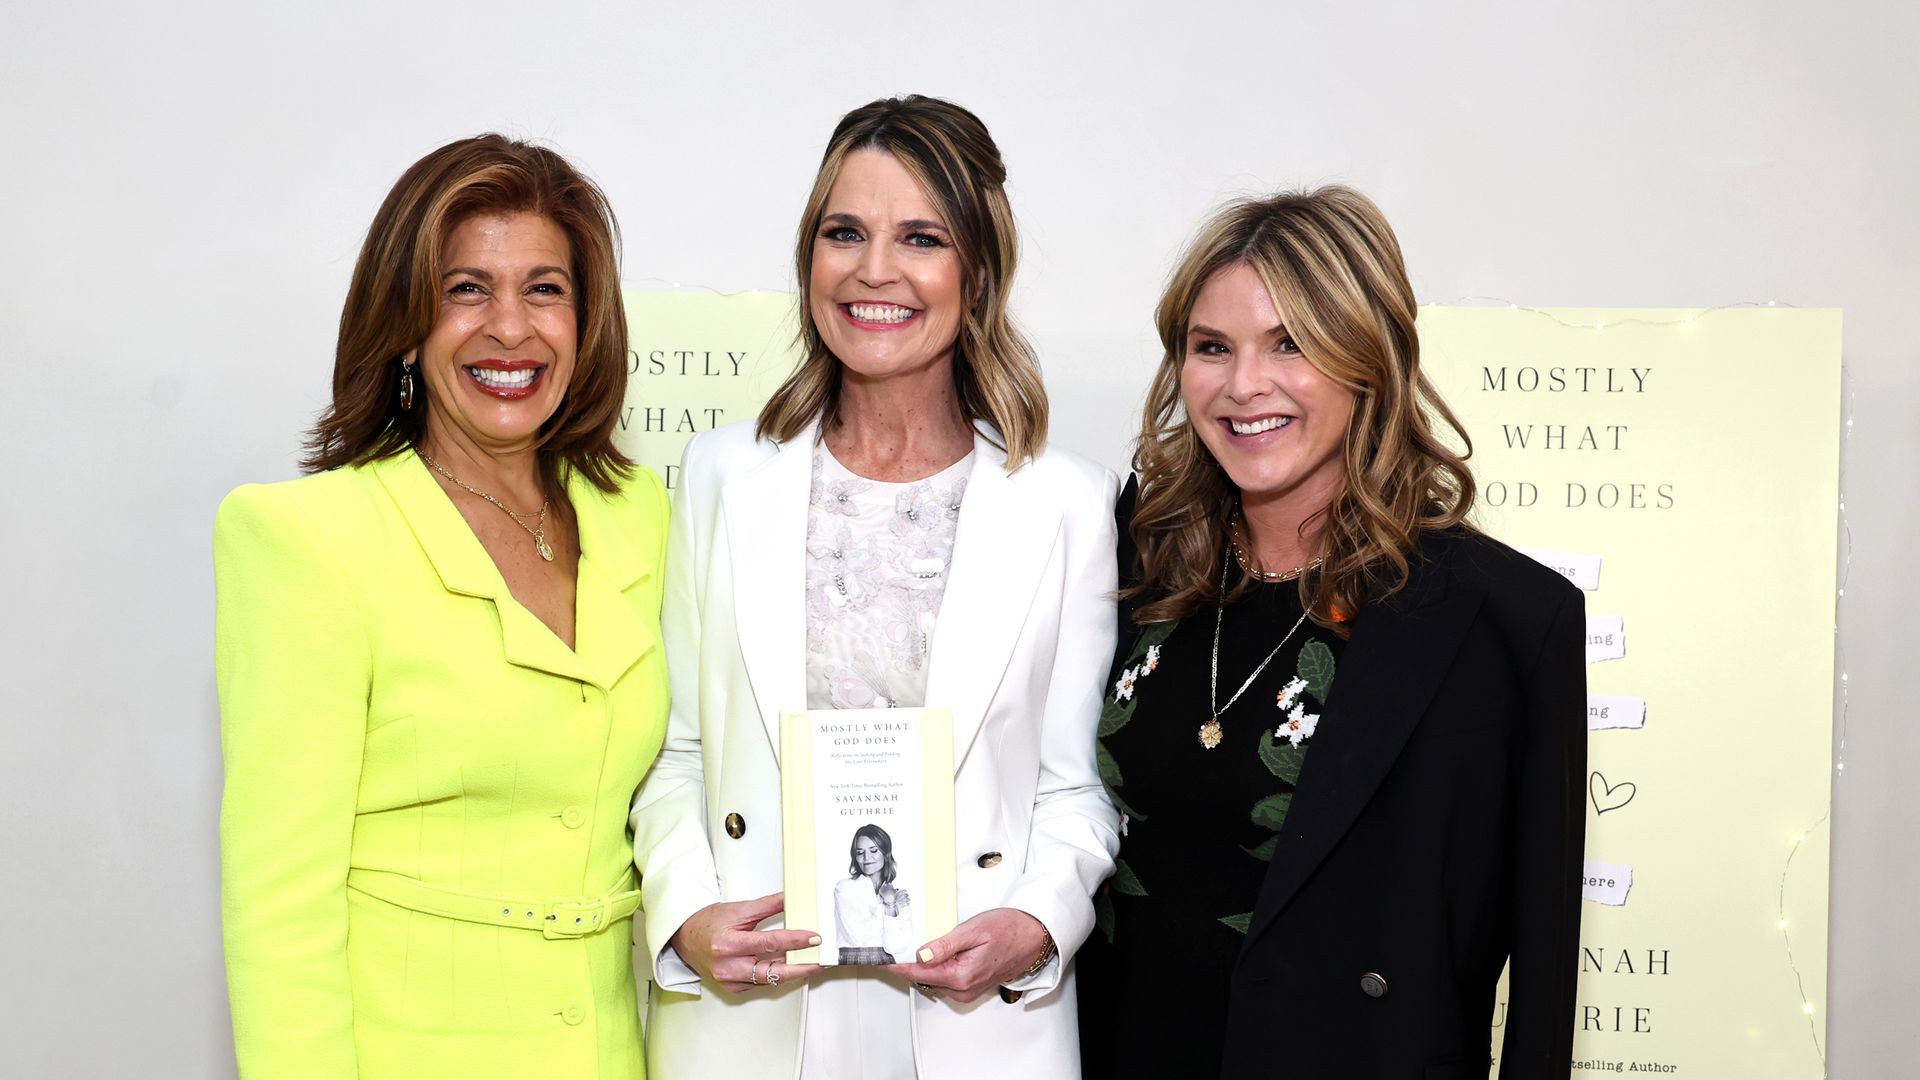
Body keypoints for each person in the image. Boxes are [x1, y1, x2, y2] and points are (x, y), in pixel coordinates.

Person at [630, 95, 1120, 1080]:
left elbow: (1074, 789)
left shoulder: (1067, 502)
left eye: (921, 238)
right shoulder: (723, 476)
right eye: (843, 232)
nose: (874, 270)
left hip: (975, 1029)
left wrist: (1036, 922)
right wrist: (684, 915)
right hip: (751, 1018)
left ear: (976, 273)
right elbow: (679, 752)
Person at [1075, 187, 1586, 1078]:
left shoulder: (1506, 618)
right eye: (1212, 348)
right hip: (1118, 1051)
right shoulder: (1127, 552)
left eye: (1292, 344)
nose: (1244, 386)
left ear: (1367, 358)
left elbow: (1540, 967)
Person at [213, 134, 669, 1078]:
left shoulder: (640, 518)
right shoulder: (306, 538)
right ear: (405, 324)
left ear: (587, 322)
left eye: (545, 289)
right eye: (467, 289)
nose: (511, 328)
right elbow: (279, 906)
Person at [833, 823, 915, 964]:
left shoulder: (895, 894)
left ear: (885, 853)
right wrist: (888, 905)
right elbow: (858, 937)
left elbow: (896, 946)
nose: (866, 858)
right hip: (852, 962)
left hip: (888, 962)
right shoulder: (845, 887)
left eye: (873, 850)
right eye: (860, 853)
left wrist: (889, 905)